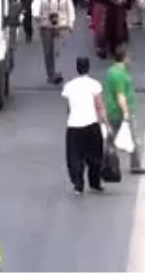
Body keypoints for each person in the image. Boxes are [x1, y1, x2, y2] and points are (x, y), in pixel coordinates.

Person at [61, 57, 106, 194]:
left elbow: (68, 107)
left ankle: (78, 185)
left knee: (74, 156)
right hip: (91, 123)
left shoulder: (69, 86)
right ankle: (95, 182)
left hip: (74, 125)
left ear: (77, 68)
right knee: (94, 156)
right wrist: (104, 121)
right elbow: (99, 105)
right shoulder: (95, 84)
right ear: (88, 68)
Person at [102, 49, 145, 175]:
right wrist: (126, 112)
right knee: (132, 138)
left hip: (111, 109)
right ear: (125, 58)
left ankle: (105, 162)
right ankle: (135, 165)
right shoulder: (119, 74)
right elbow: (120, 95)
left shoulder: (111, 71)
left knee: (110, 138)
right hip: (119, 111)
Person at [30, 0, 75, 85]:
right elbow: (35, 4)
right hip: (46, 25)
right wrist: (36, 16)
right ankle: (51, 74)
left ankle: (58, 71)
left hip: (62, 24)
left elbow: (70, 7)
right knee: (48, 51)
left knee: (58, 50)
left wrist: (71, 23)